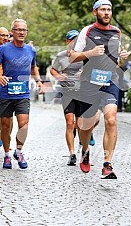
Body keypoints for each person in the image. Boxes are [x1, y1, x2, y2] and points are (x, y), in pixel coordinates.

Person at [69, 0, 129, 178]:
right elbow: (72, 56)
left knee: (111, 120)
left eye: (109, 10)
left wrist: (122, 57)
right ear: (95, 12)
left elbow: (115, 59)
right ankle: (85, 152)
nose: (106, 13)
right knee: (87, 124)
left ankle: (107, 163)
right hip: (89, 83)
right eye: (102, 10)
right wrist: (90, 53)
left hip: (110, 82)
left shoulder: (117, 32)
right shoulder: (87, 31)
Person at [0, 18, 43, 169]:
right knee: (5, 127)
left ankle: (18, 151)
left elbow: (33, 67)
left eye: (24, 30)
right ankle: (6, 155)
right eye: (18, 29)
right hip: (5, 93)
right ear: (12, 32)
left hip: (23, 94)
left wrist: (38, 81)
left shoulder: (31, 50)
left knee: (24, 125)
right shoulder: (3, 49)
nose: (21, 32)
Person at [50, 30, 97, 166]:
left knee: (81, 125)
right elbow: (53, 69)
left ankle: (84, 151)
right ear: (67, 42)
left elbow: (95, 70)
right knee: (70, 123)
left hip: (83, 93)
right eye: (72, 40)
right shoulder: (61, 56)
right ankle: (72, 154)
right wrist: (58, 76)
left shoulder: (85, 56)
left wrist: (85, 72)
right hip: (68, 93)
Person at [0, 27, 13, 148]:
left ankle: (6, 143)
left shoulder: (9, 49)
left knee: (8, 118)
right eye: (2, 35)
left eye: (6, 35)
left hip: (7, 88)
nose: (5, 38)